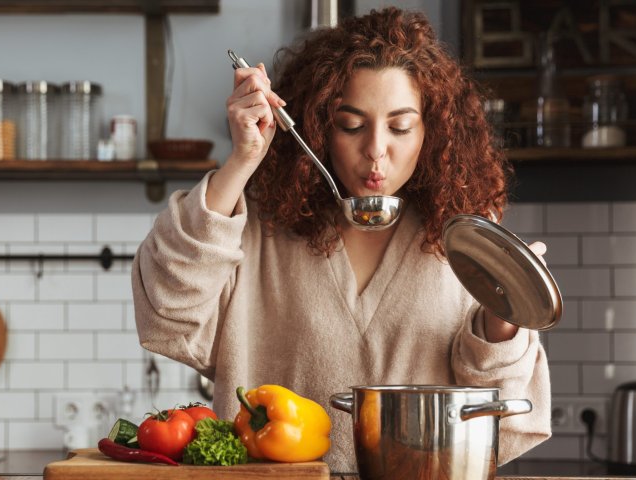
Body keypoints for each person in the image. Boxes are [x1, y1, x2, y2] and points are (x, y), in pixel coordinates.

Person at [132, 7, 551, 472]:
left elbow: (500, 408)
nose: (376, 149)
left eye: (400, 126)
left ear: (432, 132)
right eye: (351, 125)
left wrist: (503, 318)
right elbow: (168, 312)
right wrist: (242, 161)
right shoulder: (256, 229)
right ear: (318, 128)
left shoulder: (468, 239)